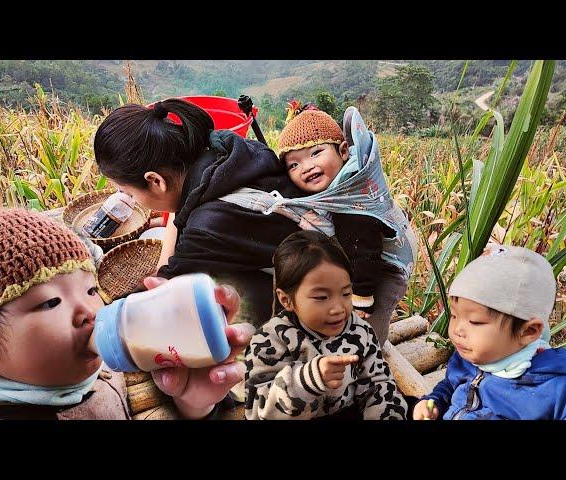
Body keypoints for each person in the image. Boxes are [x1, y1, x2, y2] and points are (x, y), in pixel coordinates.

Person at [0, 205, 251, 419]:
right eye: (50, 302)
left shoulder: (60, 366)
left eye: (91, 290)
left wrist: (193, 403)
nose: (90, 312)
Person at [93, 99, 307, 327]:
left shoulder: (205, 228)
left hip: (305, 295)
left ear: (155, 181)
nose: (131, 200)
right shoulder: (224, 147)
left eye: (128, 192)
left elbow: (151, 300)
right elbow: (181, 215)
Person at [222, 104, 417, 345]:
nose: (306, 167)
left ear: (343, 151)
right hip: (357, 258)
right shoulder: (333, 189)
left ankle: (367, 356)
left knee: (369, 323)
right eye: (294, 164)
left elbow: (364, 250)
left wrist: (362, 297)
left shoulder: (352, 200)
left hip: (386, 268)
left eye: (316, 153)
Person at [244, 230, 407, 420]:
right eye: (321, 297)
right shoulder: (269, 340)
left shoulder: (360, 332)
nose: (338, 308)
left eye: (346, 294)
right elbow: (257, 411)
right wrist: (308, 380)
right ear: (286, 300)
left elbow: (379, 385)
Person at [413, 245, 566, 420]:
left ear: (528, 332)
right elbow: (450, 385)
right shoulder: (468, 358)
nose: (457, 330)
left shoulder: (554, 389)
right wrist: (434, 402)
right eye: (454, 316)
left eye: (475, 322)